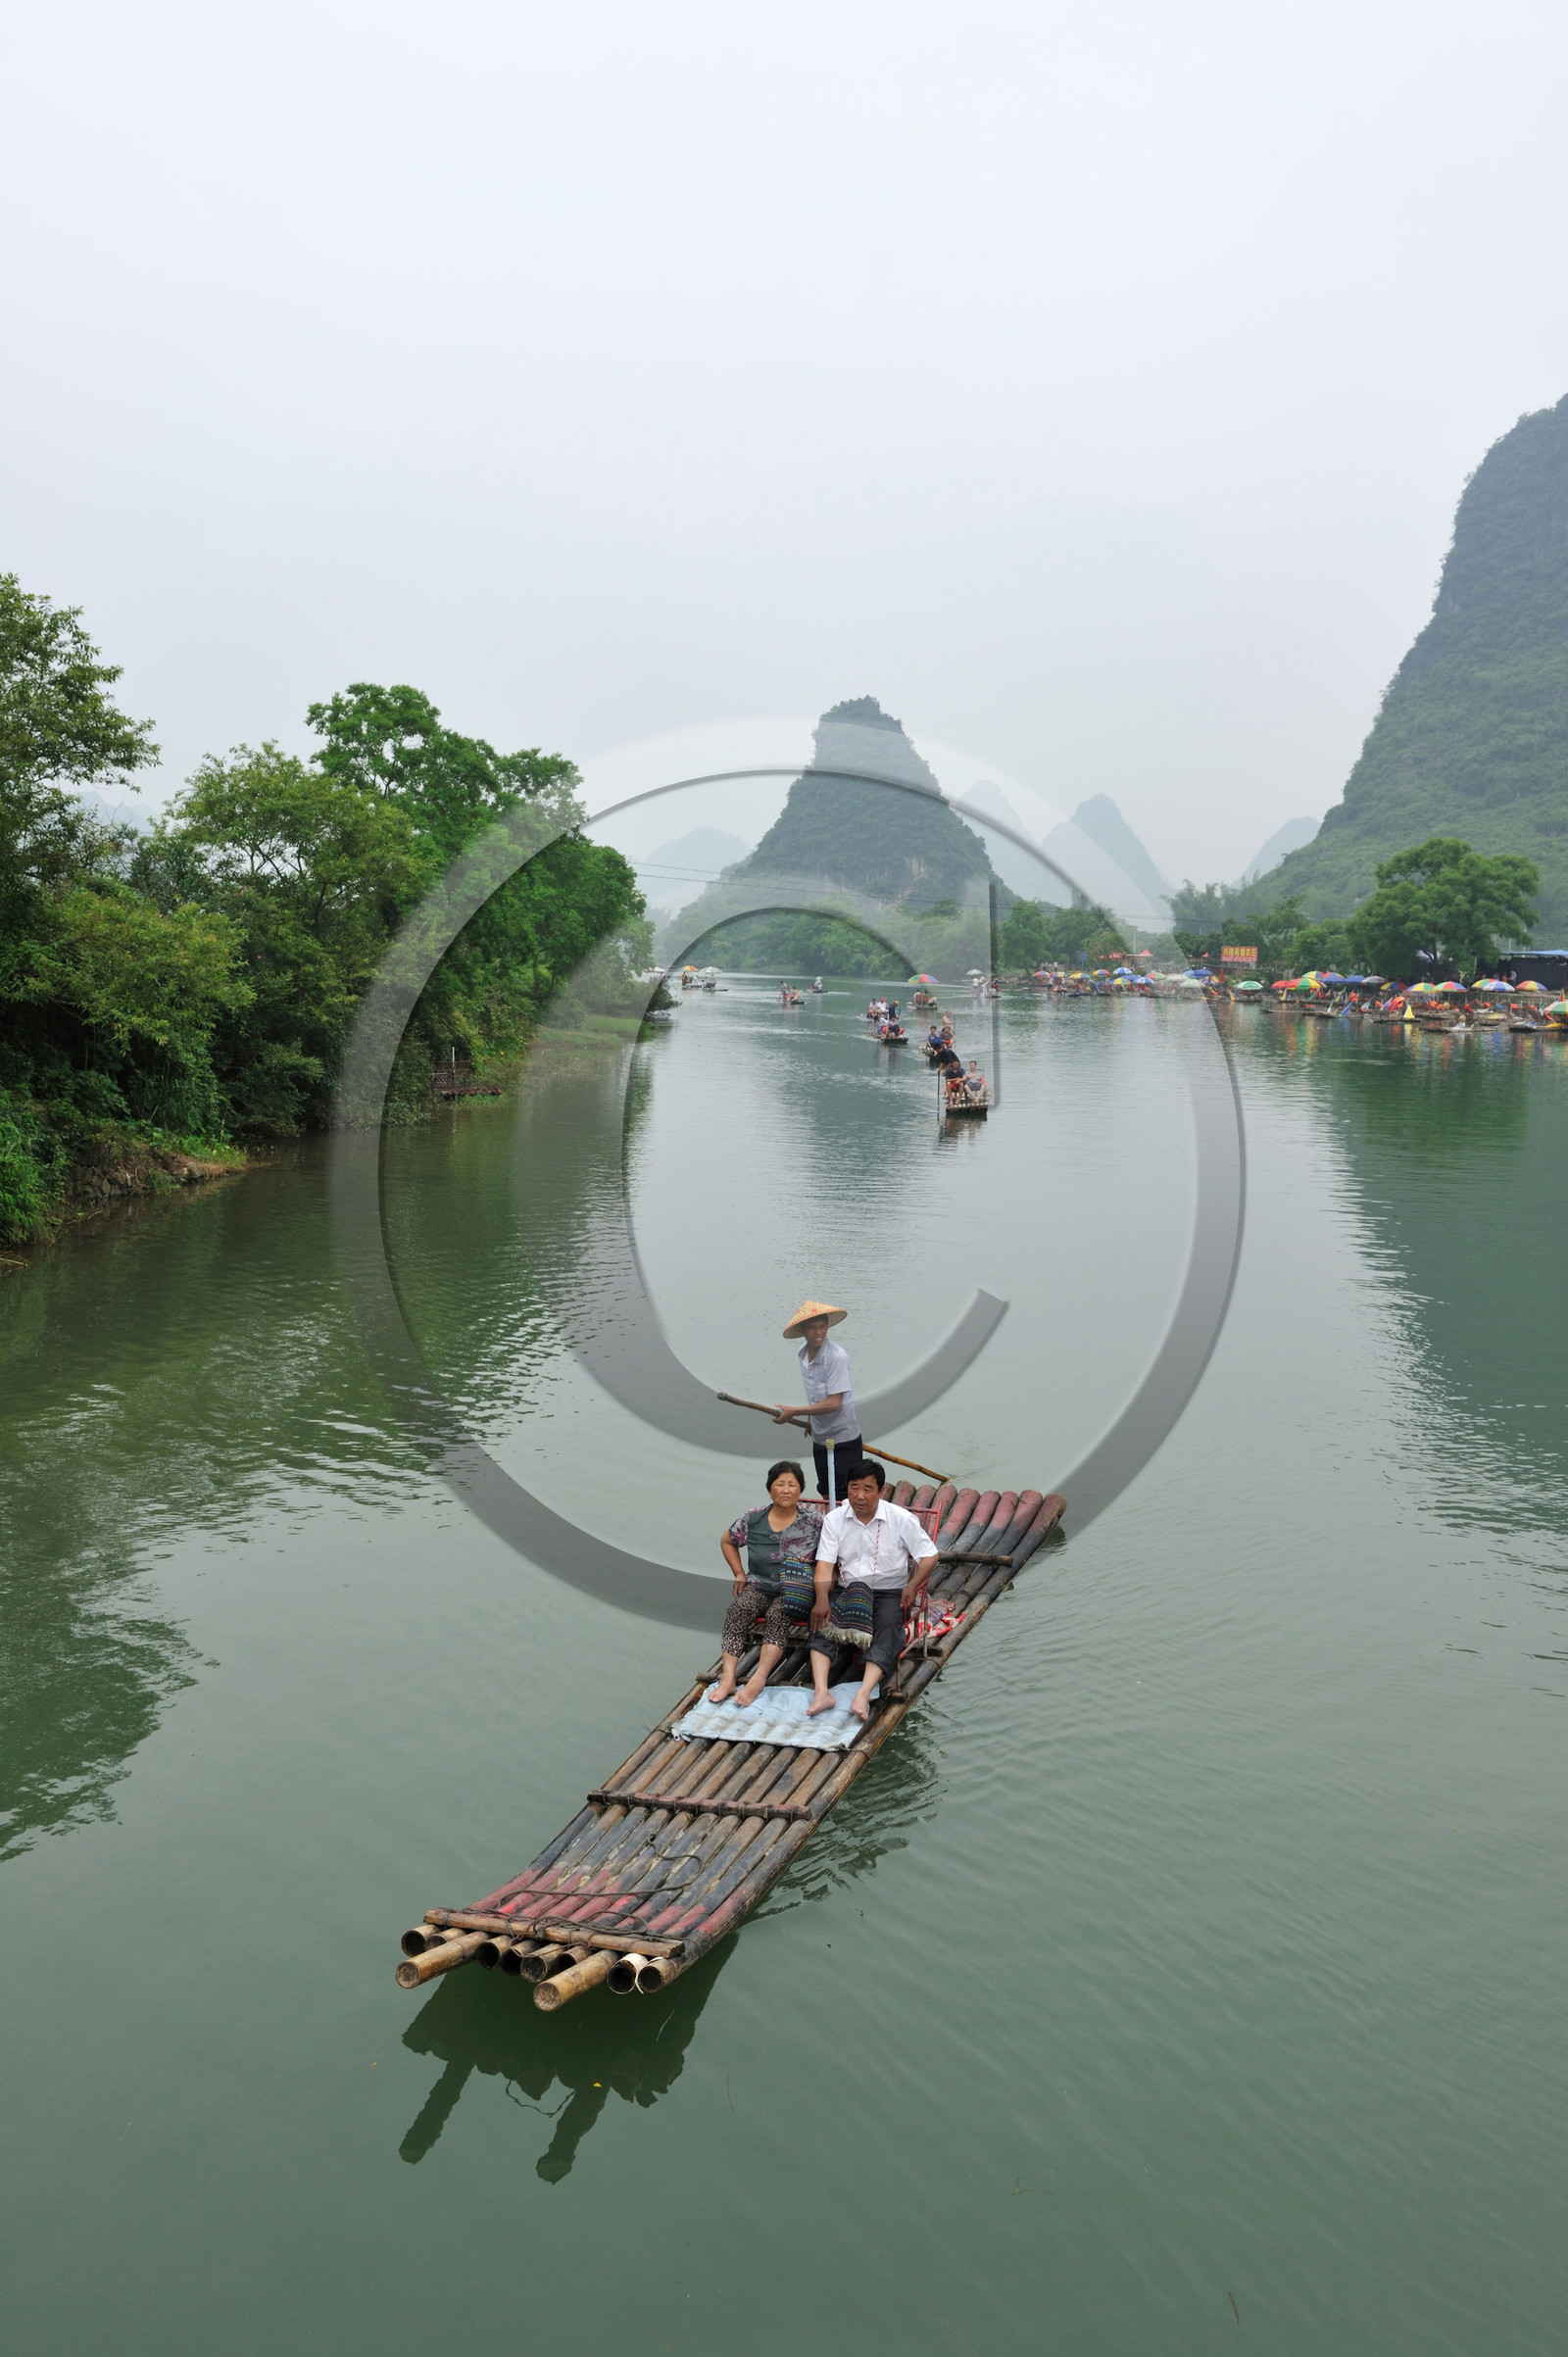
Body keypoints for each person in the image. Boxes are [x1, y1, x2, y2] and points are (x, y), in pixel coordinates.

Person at [807, 1461, 938, 1723]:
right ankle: (822, 1693)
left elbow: (930, 1555)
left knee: (889, 1626)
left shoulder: (901, 1519)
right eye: (854, 1488)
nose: (860, 1496)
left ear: (881, 1491)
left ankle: (863, 1693)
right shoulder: (835, 1519)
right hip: (850, 1589)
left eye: (868, 1489)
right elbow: (824, 1564)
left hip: (889, 1591)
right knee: (821, 1622)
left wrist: (912, 1586)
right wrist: (822, 1599)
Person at [710, 1460, 824, 1706]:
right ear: (770, 1488)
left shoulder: (814, 1521)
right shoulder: (753, 1518)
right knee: (738, 1610)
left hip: (795, 1591)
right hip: (759, 1584)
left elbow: (831, 1555)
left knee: (777, 1616)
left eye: (791, 1484)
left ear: (800, 1490)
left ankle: (759, 1678)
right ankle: (728, 1677)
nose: (785, 1489)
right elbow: (727, 1541)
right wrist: (739, 1573)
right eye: (779, 1484)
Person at [772, 1299, 862, 1501]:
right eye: (813, 1328)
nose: (819, 1332)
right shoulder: (803, 1355)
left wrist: (794, 1412)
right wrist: (811, 1420)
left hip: (843, 1437)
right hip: (820, 1436)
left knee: (845, 1495)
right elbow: (815, 1394)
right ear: (804, 1330)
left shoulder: (836, 1357)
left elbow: (834, 1403)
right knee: (824, 1489)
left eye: (822, 1327)